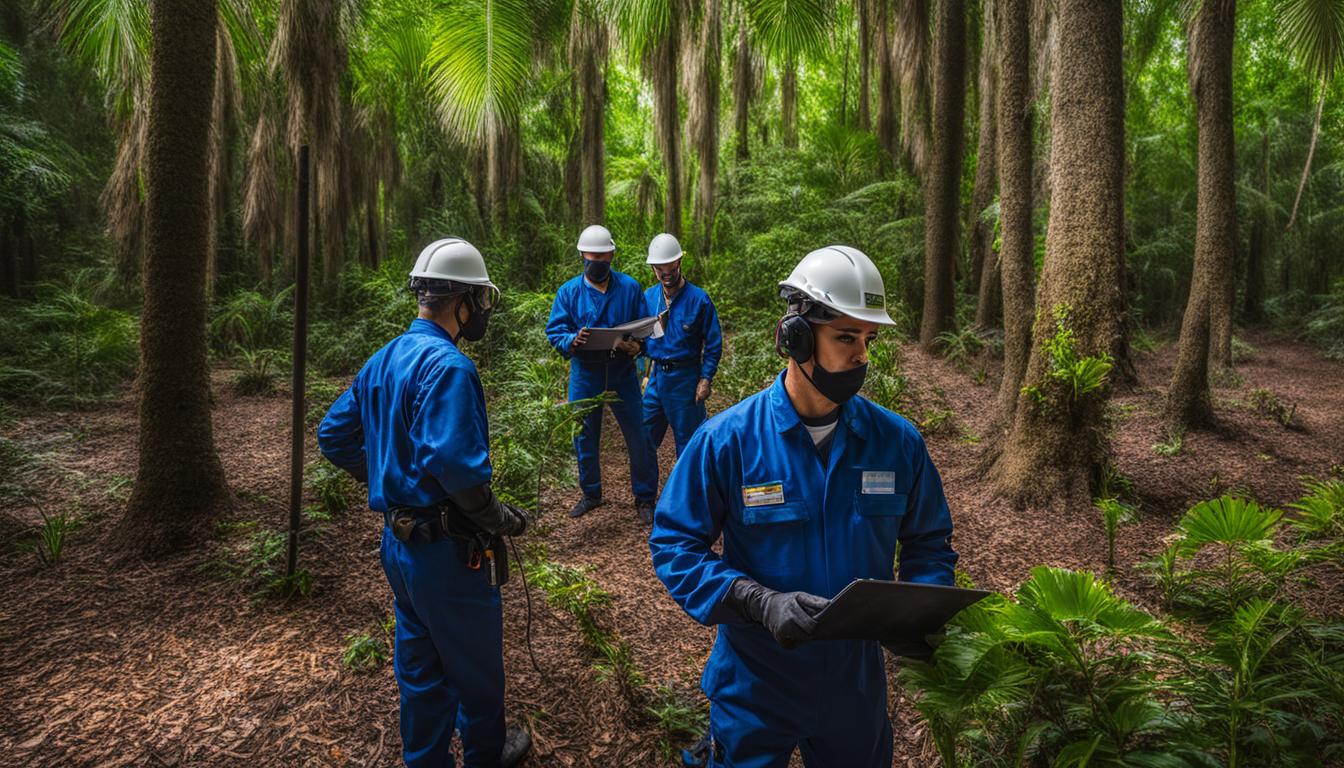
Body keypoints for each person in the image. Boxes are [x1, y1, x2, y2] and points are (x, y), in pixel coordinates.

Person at [650, 245, 959, 767]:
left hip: (854, 688)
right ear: (795, 338)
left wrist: (921, 611)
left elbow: (929, 543)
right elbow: (674, 545)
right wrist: (754, 600)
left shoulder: (897, 443)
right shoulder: (727, 441)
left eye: (868, 339)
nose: (861, 354)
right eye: (845, 336)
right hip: (755, 682)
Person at [318, 238, 532, 768]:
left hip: (398, 544)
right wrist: (498, 519)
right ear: (462, 302)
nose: (482, 311)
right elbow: (459, 472)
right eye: (479, 300)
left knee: (418, 668)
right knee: (476, 668)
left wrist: (392, 476)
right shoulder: (450, 367)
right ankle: (486, 756)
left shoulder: (385, 357)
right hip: (445, 551)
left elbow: (334, 435)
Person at [546, 224, 659, 523]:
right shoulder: (568, 292)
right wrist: (572, 340)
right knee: (584, 434)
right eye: (592, 256)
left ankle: (645, 497)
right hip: (585, 371)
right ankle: (591, 493)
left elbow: (647, 327)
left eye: (603, 256)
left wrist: (638, 346)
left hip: (622, 371)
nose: (597, 261)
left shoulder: (630, 287)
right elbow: (555, 331)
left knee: (639, 432)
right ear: (582, 255)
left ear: (611, 255)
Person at [642, 233, 723, 459]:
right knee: (644, 437)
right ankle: (645, 494)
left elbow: (714, 343)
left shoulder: (699, 299)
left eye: (671, 270)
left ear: (679, 263)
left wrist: (705, 379)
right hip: (657, 377)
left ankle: (689, 493)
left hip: (686, 378)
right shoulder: (648, 298)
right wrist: (643, 372)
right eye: (661, 271)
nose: (667, 276)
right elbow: (640, 336)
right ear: (653, 270)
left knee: (689, 445)